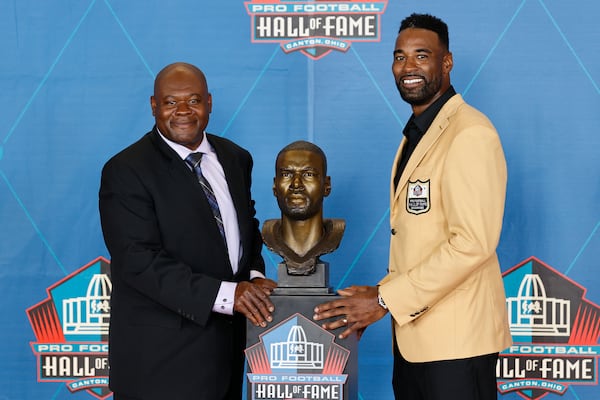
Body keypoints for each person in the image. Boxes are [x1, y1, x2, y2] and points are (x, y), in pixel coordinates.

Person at [313, 13, 511, 400]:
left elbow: (472, 243)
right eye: (400, 57)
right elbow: (421, 238)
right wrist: (383, 291)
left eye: (422, 55)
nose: (408, 67)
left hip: (458, 346)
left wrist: (385, 300)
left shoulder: (470, 133)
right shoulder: (417, 133)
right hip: (415, 339)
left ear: (447, 62)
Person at [99, 62, 277, 400]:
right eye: (170, 102)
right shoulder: (126, 170)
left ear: (209, 102)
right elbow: (139, 261)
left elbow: (246, 230)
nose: (183, 111)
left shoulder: (236, 158)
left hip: (227, 357)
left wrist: (252, 278)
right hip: (160, 364)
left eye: (193, 100)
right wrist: (230, 294)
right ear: (154, 106)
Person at [262, 140, 345, 275]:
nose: (296, 184)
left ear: (327, 185)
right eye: (286, 174)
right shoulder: (268, 234)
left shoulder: (336, 232)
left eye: (308, 174)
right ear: (274, 186)